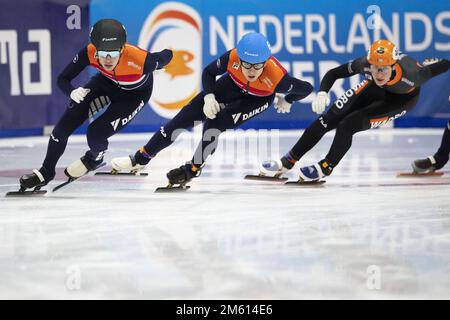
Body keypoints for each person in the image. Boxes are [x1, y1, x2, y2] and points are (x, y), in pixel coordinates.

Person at [110, 32, 313, 186]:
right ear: (239, 58)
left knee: (214, 125)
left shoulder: (277, 77)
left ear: (266, 62)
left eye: (258, 66)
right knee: (180, 121)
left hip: (257, 100)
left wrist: (288, 100)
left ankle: (194, 167)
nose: (252, 71)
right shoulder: (232, 57)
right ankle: (141, 158)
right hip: (229, 86)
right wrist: (208, 96)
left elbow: (307, 88)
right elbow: (208, 72)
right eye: (247, 65)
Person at [259, 40, 450, 181]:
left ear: (393, 66)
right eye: (375, 68)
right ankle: (287, 162)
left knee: (347, 125)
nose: (379, 73)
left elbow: (446, 64)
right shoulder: (364, 64)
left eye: (383, 69)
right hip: (372, 89)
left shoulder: (414, 75)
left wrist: (430, 66)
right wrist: (323, 92)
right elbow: (334, 73)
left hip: (401, 100)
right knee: (326, 119)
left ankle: (326, 167)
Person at [19, 19, 173, 191]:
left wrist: (159, 64)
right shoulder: (89, 52)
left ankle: (94, 158)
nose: (108, 59)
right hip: (105, 84)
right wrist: (71, 91)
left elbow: (168, 55)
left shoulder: (142, 60)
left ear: (122, 49)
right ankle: (45, 172)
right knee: (61, 129)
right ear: (95, 48)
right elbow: (63, 79)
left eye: (113, 54)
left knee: (96, 133)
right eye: (102, 53)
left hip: (134, 96)